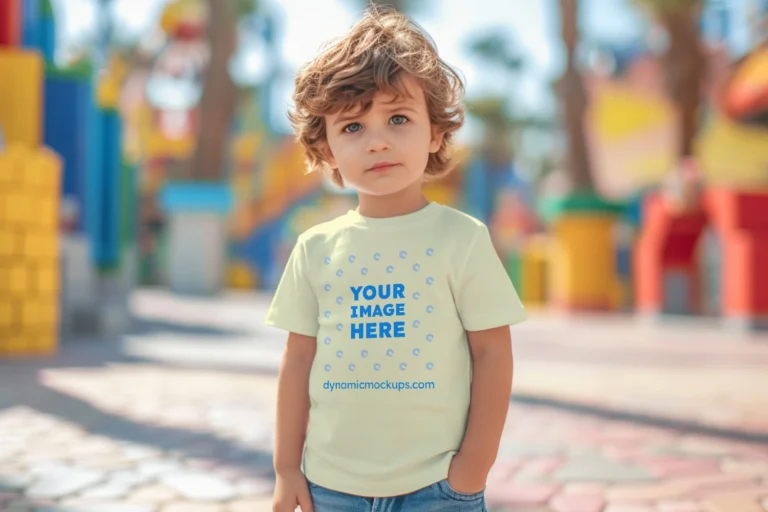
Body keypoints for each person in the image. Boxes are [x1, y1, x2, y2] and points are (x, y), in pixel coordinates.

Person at [265, 5, 526, 511]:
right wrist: (285, 468)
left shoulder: (463, 238)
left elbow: (493, 354)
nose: (378, 140)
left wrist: (473, 468)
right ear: (326, 150)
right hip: (330, 486)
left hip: (439, 486)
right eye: (352, 128)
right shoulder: (314, 249)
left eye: (398, 118)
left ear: (434, 133)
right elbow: (297, 362)